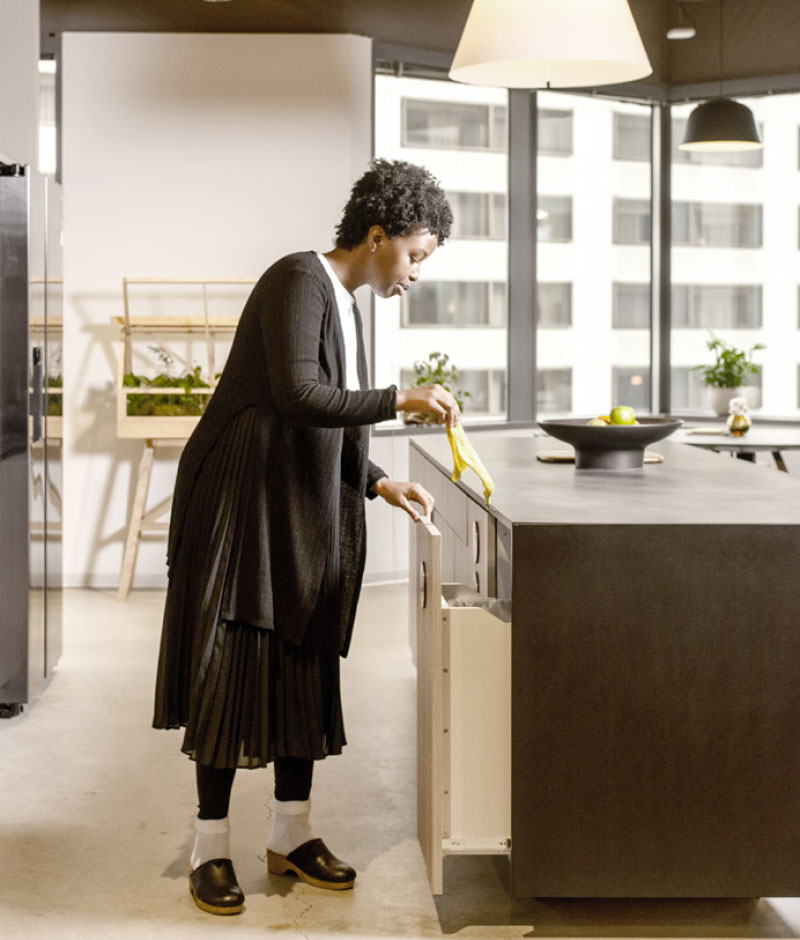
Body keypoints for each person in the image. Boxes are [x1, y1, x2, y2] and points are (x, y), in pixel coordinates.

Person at [152, 158, 458, 916]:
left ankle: (291, 834)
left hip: (296, 505)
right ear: (378, 234)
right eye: (415, 254)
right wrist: (401, 398)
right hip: (243, 502)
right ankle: (210, 847)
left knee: (302, 658)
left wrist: (379, 481)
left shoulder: (347, 307)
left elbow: (329, 413)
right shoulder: (297, 279)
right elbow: (296, 393)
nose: (415, 273)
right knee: (235, 666)